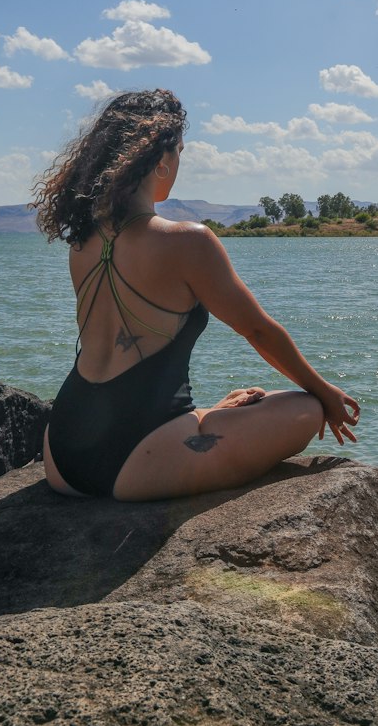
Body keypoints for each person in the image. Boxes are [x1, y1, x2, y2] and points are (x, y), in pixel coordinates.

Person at [32, 88, 359, 501]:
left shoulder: (83, 242)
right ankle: (200, 419)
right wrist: (325, 393)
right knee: (304, 408)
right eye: (181, 152)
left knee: (251, 400)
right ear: (162, 159)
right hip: (131, 464)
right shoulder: (187, 241)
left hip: (61, 452)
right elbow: (256, 329)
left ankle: (202, 415)